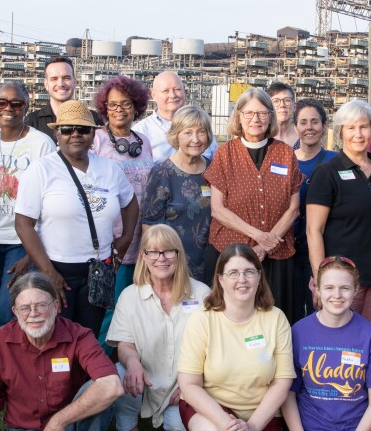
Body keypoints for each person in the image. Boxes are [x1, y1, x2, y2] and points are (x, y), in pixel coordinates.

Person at [14, 99, 139, 335]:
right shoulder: (41, 170)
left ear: (93, 135)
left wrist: (125, 239)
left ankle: (83, 374)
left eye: (83, 129)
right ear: (57, 135)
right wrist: (49, 273)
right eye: (67, 129)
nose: (75, 135)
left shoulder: (110, 168)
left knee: (87, 335)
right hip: (56, 266)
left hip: (99, 268)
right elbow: (23, 224)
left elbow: (131, 204)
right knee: (54, 336)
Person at [0, 272, 125, 431]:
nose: (33, 313)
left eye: (41, 305)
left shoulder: (78, 335)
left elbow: (112, 386)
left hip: (72, 428)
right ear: (15, 311)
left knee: (99, 387)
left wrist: (58, 422)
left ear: (55, 306)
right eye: (25, 308)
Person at [177, 244, 295, 431]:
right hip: (212, 409)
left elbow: (282, 382)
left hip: (260, 415)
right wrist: (224, 423)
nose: (242, 279)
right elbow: (189, 384)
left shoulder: (276, 319)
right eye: (233, 273)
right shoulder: (202, 319)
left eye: (249, 272)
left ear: (259, 277)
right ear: (220, 279)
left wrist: (252, 427)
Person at [106, 225, 213, 431]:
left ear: (179, 255)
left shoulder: (201, 293)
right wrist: (132, 361)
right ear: (143, 256)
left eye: (168, 251)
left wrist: (192, 385)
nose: (160, 258)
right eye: (152, 252)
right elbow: (124, 343)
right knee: (120, 373)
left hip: (184, 383)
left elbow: (213, 348)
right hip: (144, 380)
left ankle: (171, 427)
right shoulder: (130, 296)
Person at [280, 258, 371, 431]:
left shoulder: (370, 336)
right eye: (329, 287)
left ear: (356, 290)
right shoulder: (298, 332)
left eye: (344, 288)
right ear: (316, 289)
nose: (337, 295)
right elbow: (288, 394)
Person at [204, 88, 305, 322]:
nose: (255, 119)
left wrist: (266, 246)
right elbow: (218, 209)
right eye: (248, 113)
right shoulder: (224, 154)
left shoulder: (285, 154)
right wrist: (259, 238)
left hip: (277, 254)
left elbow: (293, 209)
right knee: (233, 319)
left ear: (271, 116)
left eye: (261, 113)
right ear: (238, 116)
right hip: (232, 253)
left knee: (275, 319)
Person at [305, 99, 371, 330]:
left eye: (363, 127)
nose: (358, 134)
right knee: (339, 341)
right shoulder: (328, 173)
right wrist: (320, 279)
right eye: (351, 128)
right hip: (340, 280)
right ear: (341, 132)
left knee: (370, 342)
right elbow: (314, 230)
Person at [0, 82, 57, 330]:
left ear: (26, 107)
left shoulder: (41, 143)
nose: (8, 109)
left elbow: (50, 199)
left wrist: (30, 253)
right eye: (1, 102)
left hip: (20, 242)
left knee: (7, 311)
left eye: (17, 103)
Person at [91, 75, 158, 335]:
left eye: (126, 104)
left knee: (137, 307)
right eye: (113, 105)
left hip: (142, 237)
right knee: (111, 307)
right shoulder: (96, 140)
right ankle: (101, 366)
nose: (119, 110)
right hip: (110, 240)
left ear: (137, 106)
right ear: (104, 108)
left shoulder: (145, 141)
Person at [142, 105, 215, 282]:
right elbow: (149, 224)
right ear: (176, 135)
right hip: (173, 264)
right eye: (188, 133)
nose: (196, 139)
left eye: (201, 132)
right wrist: (158, 265)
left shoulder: (215, 169)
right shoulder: (162, 172)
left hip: (211, 262)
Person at [290, 101, 336, 318]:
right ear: (295, 127)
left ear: (324, 126)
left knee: (320, 310)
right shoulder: (284, 161)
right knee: (291, 311)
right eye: (303, 122)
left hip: (322, 249)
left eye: (315, 122)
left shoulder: (334, 161)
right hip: (288, 251)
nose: (309, 127)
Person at [134, 70, 219, 160]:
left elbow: (217, 160)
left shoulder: (201, 127)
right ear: (153, 95)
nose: (173, 95)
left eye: (177, 89)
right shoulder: (140, 132)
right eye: (166, 91)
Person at [28, 56, 104, 136]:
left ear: (75, 82)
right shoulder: (32, 122)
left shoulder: (94, 119)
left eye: (66, 78)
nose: (60, 84)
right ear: (46, 84)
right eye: (54, 79)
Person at [268, 82, 299, 148]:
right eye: (276, 101)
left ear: (294, 106)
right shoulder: (262, 138)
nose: (282, 105)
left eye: (287, 100)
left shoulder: (304, 138)